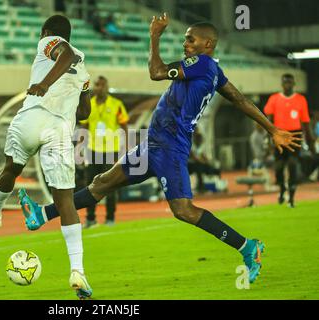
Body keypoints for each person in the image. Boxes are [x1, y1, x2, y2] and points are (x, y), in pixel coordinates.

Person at [18, 13, 302, 285]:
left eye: (191, 40)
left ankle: (247, 246)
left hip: (169, 147)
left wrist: (154, 37)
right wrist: (273, 129)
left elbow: (156, 72)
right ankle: (41, 215)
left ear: (208, 44)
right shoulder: (213, 70)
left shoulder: (201, 65)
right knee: (102, 182)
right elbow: (239, 99)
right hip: (153, 143)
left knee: (183, 210)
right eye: (186, 39)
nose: (185, 44)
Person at [0, 15, 93, 299]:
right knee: (65, 199)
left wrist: (44, 85)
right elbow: (84, 113)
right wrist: (76, 93)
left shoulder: (50, 42)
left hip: (33, 117)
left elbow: (65, 53)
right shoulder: (84, 68)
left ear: (46, 31)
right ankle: (77, 270)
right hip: (59, 129)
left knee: (12, 168)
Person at [79, 75, 129, 228]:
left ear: (107, 87)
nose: (98, 87)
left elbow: (124, 127)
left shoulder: (116, 104)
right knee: (90, 185)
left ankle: (110, 218)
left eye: (101, 85)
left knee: (110, 185)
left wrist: (124, 149)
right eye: (96, 85)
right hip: (93, 150)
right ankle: (90, 218)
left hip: (111, 151)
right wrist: (80, 147)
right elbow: (84, 127)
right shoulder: (89, 104)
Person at [263, 73, 315, 208]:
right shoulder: (274, 99)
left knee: (293, 165)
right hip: (279, 135)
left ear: (293, 84)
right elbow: (268, 119)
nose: (287, 85)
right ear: (282, 84)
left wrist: (310, 142)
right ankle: (281, 189)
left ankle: (291, 198)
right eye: (285, 82)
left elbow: (306, 123)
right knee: (279, 167)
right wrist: (268, 138)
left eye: (290, 82)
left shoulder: (301, 99)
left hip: (294, 135)